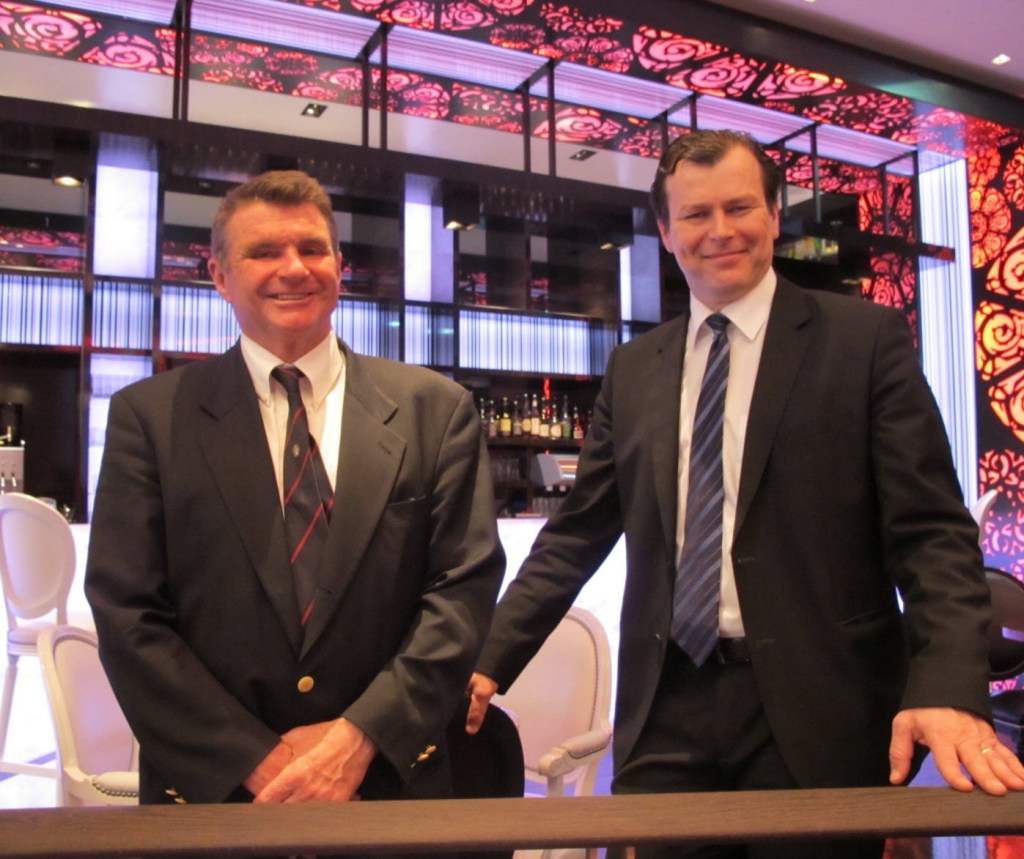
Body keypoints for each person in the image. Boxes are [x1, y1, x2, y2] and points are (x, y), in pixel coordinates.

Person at [465, 130, 1024, 858]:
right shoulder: (635, 369)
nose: (720, 230)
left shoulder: (863, 341)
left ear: (773, 214)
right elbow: (577, 532)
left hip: (822, 702)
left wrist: (947, 684)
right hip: (666, 703)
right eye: (696, 215)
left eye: (739, 207)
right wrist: (489, 656)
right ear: (667, 231)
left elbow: (932, 537)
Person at [86, 170, 505, 818]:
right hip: (217, 797)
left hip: (387, 787)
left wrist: (355, 742)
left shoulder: (436, 409)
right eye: (263, 251)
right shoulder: (150, 417)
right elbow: (127, 614)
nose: (293, 268)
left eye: (312, 248)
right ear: (220, 275)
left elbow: (461, 594)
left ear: (339, 265)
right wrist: (260, 762)